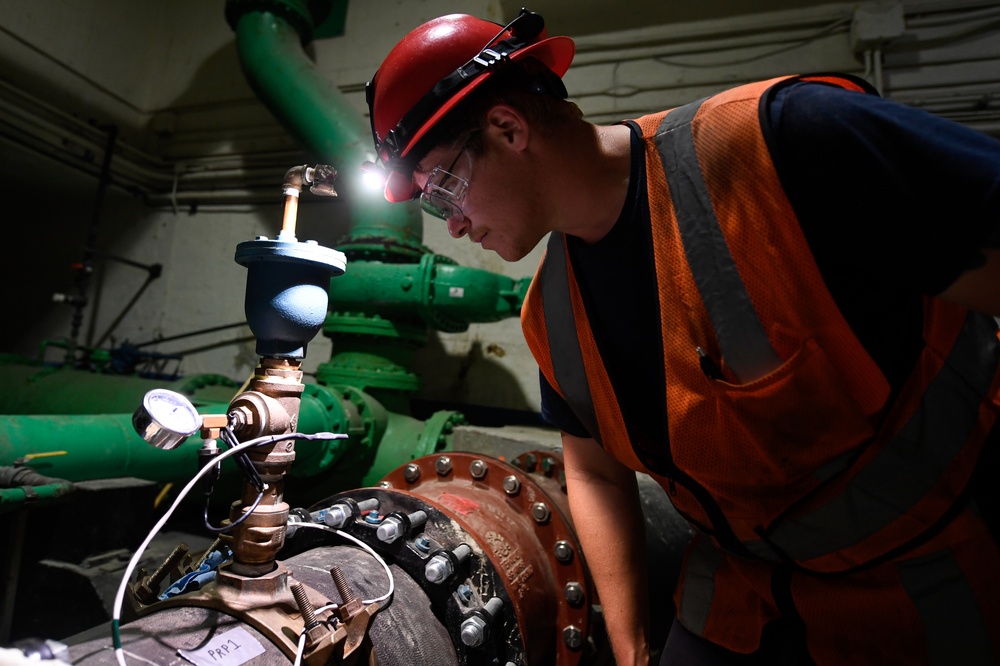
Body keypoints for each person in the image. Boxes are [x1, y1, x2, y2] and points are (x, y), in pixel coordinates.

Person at [364, 8, 1000, 665]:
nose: (454, 227)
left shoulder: (779, 145)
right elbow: (594, 472)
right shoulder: (551, 313)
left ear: (507, 127)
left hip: (932, 557)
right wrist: (634, 648)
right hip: (745, 590)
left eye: (443, 189)